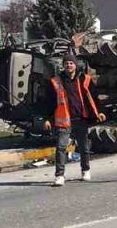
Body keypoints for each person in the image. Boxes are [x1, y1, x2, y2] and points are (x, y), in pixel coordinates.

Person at [44, 53, 106, 186]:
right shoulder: (56, 81)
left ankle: (85, 170)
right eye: (66, 63)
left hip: (81, 119)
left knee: (83, 147)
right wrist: (47, 118)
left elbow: (93, 98)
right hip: (64, 120)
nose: (68, 65)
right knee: (61, 147)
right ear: (63, 66)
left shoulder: (85, 79)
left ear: (75, 65)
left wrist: (99, 112)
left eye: (71, 63)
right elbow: (49, 102)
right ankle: (60, 176)